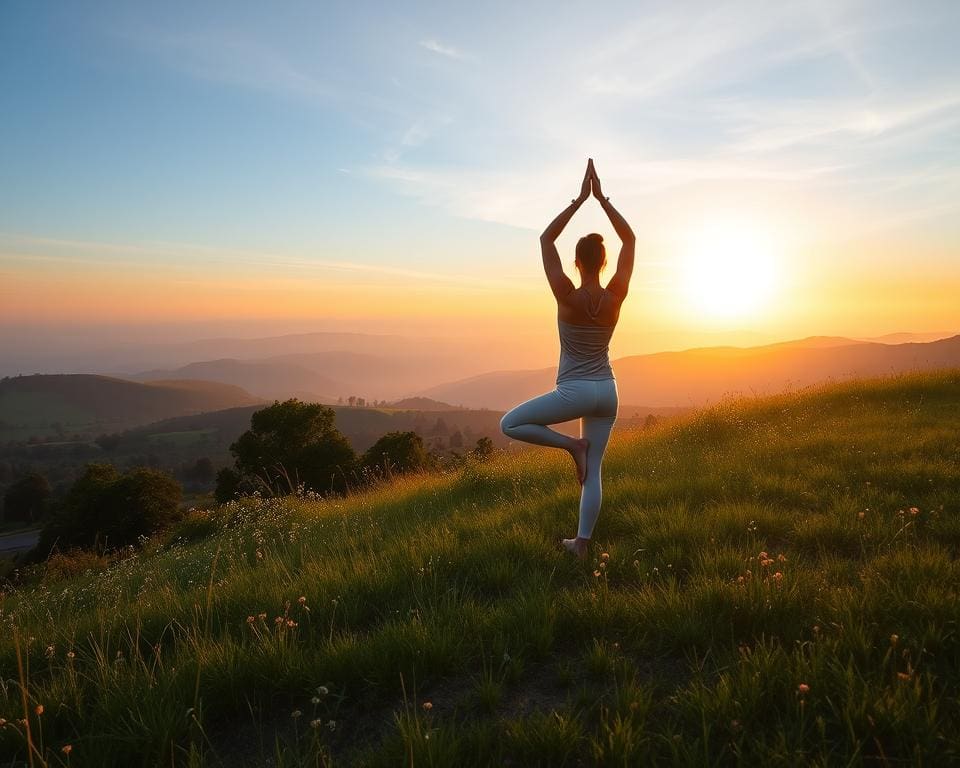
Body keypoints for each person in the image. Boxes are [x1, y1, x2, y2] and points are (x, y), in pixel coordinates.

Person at [500, 159, 635, 559]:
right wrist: (603, 202)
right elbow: (629, 241)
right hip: (607, 391)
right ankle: (582, 544)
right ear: (604, 263)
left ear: (577, 262)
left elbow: (545, 240)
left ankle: (570, 447)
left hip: (574, 391)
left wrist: (579, 200)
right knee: (595, 474)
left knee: (510, 423)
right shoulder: (615, 296)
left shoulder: (566, 294)